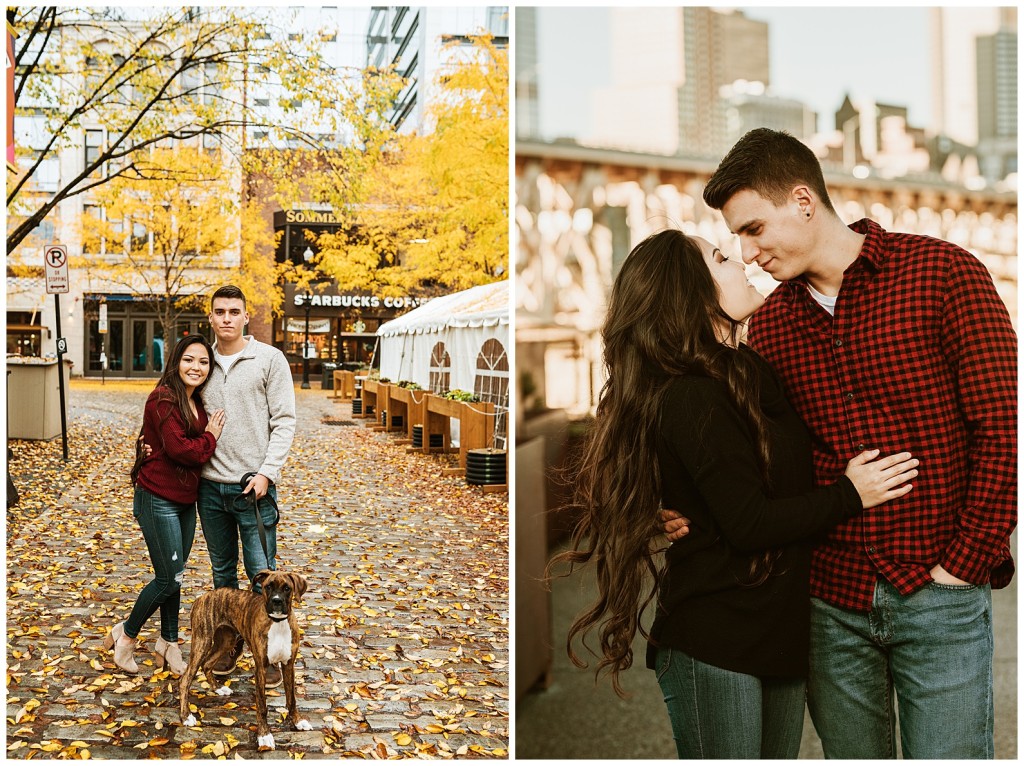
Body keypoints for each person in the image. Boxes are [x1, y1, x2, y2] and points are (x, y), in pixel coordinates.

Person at [665, 127, 1017, 759]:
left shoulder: (944, 274)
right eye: (737, 238)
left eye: (753, 229)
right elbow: (729, 446)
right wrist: (670, 508)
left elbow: (1003, 427)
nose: (746, 253)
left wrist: (962, 565)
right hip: (830, 600)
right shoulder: (769, 327)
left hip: (938, 592)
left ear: (803, 201)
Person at [552, 228, 919, 759]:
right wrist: (849, 494)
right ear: (693, 294)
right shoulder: (692, 393)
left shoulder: (747, 372)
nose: (743, 259)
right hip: (715, 637)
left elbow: (755, 480)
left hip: (776, 634)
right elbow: (749, 522)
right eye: (723, 258)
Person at [105, 334, 225, 674]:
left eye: (203, 362)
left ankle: (168, 644)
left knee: (177, 575)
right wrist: (211, 437)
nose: (196, 367)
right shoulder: (163, 398)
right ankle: (126, 636)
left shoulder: (195, 401)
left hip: (185, 500)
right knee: (167, 578)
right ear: (176, 361)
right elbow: (181, 451)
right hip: (157, 498)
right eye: (189, 360)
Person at [198, 285, 296, 689]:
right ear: (211, 317)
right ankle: (229, 647)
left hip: (254, 489)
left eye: (233, 311)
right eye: (219, 311)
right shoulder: (199, 361)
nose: (226, 318)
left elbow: (285, 420)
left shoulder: (269, 360)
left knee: (263, 578)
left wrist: (267, 473)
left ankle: (271, 653)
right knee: (223, 576)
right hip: (210, 488)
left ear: (245, 317)